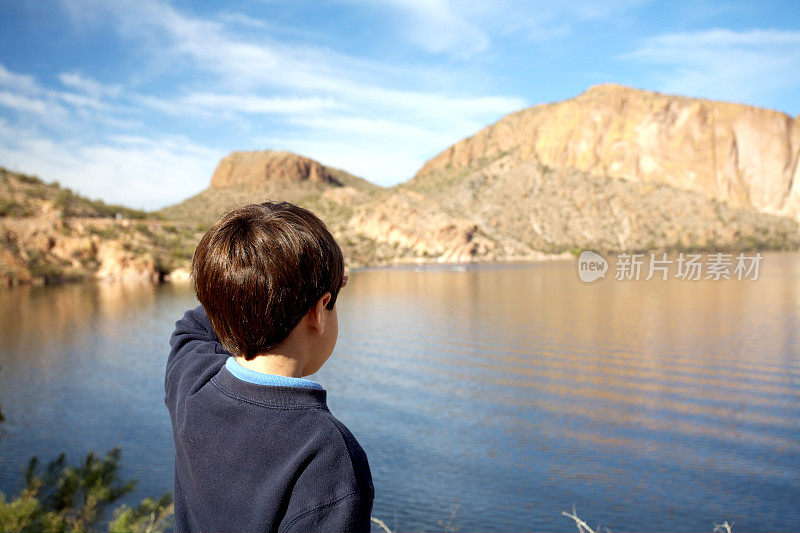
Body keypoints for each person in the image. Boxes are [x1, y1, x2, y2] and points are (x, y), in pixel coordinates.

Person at [165, 201, 374, 532]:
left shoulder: (192, 384)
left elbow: (194, 325)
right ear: (320, 311)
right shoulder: (326, 454)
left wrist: (244, 286)